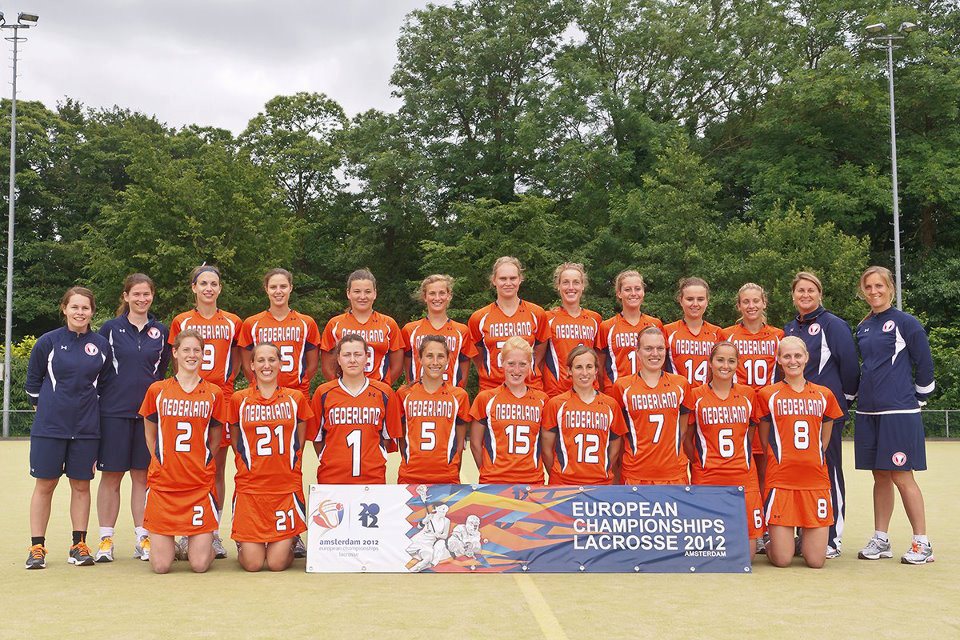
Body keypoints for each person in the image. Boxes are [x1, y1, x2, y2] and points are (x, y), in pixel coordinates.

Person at [24, 287, 112, 569]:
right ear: (64, 309)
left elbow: (105, 385)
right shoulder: (47, 342)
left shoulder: (101, 345)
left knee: (81, 485)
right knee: (45, 484)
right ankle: (37, 547)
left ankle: (79, 545)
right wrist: (48, 412)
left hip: (86, 429)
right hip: (50, 429)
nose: (80, 312)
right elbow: (33, 384)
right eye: (74, 307)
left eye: (85, 308)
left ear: (92, 312)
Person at [853, 266, 935, 565]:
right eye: (868, 287)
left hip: (898, 411)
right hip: (868, 410)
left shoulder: (906, 323)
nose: (874, 291)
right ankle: (881, 539)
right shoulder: (863, 327)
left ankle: (922, 543)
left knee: (902, 475)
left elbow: (924, 363)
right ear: (863, 292)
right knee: (880, 476)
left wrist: (919, 397)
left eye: (879, 286)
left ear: (891, 288)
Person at [95, 273, 171, 563]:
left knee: (142, 476)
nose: (141, 299)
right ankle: (106, 539)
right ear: (125, 296)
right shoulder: (109, 329)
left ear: (152, 296)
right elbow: (98, 370)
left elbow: (161, 372)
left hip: (148, 417)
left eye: (146, 294)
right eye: (136, 294)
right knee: (111, 476)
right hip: (113, 413)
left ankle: (143, 537)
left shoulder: (160, 331)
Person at [169, 264, 243, 560]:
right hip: (189, 397)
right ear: (194, 288)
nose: (208, 288)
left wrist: (225, 384)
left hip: (219, 397)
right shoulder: (182, 320)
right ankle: (184, 527)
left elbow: (238, 358)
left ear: (220, 288)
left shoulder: (233, 322)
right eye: (203, 283)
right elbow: (176, 357)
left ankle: (211, 531)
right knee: (187, 463)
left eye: (213, 284)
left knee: (215, 467)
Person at [138, 330, 227, 574]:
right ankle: (172, 546)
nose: (192, 355)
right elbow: (150, 433)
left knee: (199, 564)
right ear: (175, 353)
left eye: (197, 350)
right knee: (161, 566)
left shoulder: (214, 393)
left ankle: (198, 543)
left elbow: (215, 439)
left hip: (198, 485)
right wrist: (160, 461)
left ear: (203, 354)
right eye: (186, 349)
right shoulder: (157, 390)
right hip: (164, 484)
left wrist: (202, 462)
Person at [784, 271, 859, 558]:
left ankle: (831, 538)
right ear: (793, 296)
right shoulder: (791, 328)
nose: (805, 295)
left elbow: (850, 370)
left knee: (828, 472)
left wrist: (839, 405)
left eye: (810, 290)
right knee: (800, 473)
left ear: (820, 294)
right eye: (800, 290)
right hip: (794, 414)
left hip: (825, 413)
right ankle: (805, 534)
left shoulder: (834, 325)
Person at [755, 337, 843, 569]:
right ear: (779, 360)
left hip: (815, 482)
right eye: (786, 356)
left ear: (806, 358)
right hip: (781, 482)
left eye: (797, 356)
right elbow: (765, 440)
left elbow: (824, 439)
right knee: (782, 560)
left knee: (815, 561)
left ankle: (800, 538)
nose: (792, 361)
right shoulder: (767, 395)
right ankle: (776, 541)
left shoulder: (824, 394)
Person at [230, 342, 314, 572]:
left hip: (284, 488)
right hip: (251, 488)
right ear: (251, 365)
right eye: (261, 360)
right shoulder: (239, 399)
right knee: (253, 564)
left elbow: (299, 440)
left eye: (271, 360)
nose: (266, 365)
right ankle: (244, 542)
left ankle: (291, 538)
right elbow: (237, 440)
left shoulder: (295, 398)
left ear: (280, 363)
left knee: (277, 564)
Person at [684, 342, 762, 559]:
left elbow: (749, 433)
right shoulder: (696, 395)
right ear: (710, 362)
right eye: (720, 360)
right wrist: (699, 462)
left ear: (737, 364)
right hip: (708, 476)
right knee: (708, 553)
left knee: (747, 556)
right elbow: (687, 438)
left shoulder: (748, 394)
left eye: (731, 361)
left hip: (743, 476)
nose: (725, 366)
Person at [308, 334, 402, 484]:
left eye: (358, 354)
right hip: (331, 480)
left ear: (367, 358)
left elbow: (388, 438)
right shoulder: (323, 393)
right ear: (338, 359)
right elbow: (317, 439)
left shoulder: (384, 393)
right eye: (347, 355)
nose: (352, 360)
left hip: (372, 480)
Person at [723, 284, 784, 500]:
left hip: (767, 410)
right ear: (738, 306)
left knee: (767, 469)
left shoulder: (777, 336)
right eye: (746, 302)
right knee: (738, 467)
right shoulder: (727, 335)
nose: (751, 306)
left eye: (756, 301)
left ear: (764, 303)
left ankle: (765, 515)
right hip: (738, 410)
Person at [612, 327, 693, 485]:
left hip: (674, 474)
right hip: (636, 474)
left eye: (660, 348)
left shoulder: (680, 384)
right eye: (648, 348)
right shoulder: (622, 386)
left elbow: (683, 429)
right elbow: (618, 434)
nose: (655, 353)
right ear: (638, 352)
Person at [541, 346, 625, 485]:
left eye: (589, 367)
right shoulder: (556, 404)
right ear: (569, 370)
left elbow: (615, 448)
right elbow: (546, 450)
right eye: (579, 367)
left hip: (600, 484)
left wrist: (602, 471)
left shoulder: (611, 405)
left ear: (596, 370)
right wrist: (560, 476)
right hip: (564, 484)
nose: (584, 373)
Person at [469, 337, 548, 484]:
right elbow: (475, 443)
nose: (516, 370)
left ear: (530, 364)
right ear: (502, 362)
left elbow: (548, 444)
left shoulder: (542, 400)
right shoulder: (486, 398)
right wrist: (489, 472)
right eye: (511, 363)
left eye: (522, 364)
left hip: (531, 481)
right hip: (494, 482)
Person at [396, 336, 472, 484]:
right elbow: (402, 438)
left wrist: (453, 471)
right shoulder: (404, 394)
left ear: (448, 359)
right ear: (420, 359)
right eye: (429, 356)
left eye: (441, 356)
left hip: (447, 477)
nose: (435, 362)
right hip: (410, 476)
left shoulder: (459, 396)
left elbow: (459, 444)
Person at [468, 257, 549, 391]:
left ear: (520, 279)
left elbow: (539, 354)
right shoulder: (479, 317)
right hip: (492, 388)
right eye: (503, 278)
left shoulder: (537, 313)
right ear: (494, 280)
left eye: (513, 278)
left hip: (529, 387)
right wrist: (492, 374)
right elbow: (478, 358)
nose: (508, 283)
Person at [239, 268, 321, 397]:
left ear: (290, 288)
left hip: (297, 393)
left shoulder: (306, 323)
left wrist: (300, 383)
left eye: (283, 286)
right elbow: (247, 365)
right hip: (262, 394)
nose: (278, 291)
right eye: (273, 287)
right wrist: (262, 385)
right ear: (266, 289)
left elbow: (313, 365)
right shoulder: (251, 323)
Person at [321, 269, 404, 385]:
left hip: (377, 390)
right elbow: (327, 366)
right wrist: (340, 388)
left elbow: (397, 366)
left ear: (375, 293)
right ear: (348, 293)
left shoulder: (389, 324)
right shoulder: (335, 324)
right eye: (357, 291)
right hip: (344, 390)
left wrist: (382, 387)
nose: (362, 296)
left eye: (368, 292)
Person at [401, 274, 476, 388]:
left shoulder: (461, 331)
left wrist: (456, 393)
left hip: (449, 394)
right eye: (432, 293)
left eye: (442, 293)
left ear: (449, 296)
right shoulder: (410, 330)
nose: (437, 298)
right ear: (425, 296)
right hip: (419, 394)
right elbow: (408, 368)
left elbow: (464, 372)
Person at [597, 270, 664, 392]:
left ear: (643, 292)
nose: (633, 293)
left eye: (637, 289)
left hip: (647, 394)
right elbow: (600, 368)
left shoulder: (655, 324)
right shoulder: (607, 327)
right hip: (616, 393)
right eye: (628, 289)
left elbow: (661, 362)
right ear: (619, 293)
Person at [541, 263, 602, 396]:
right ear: (558, 286)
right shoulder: (547, 318)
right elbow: (538, 358)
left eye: (576, 282)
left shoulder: (595, 319)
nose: (571, 287)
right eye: (565, 282)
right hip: (557, 392)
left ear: (582, 286)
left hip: (588, 391)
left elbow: (599, 359)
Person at [664, 277, 724, 387]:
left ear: (707, 301)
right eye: (690, 299)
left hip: (707, 395)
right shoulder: (667, 331)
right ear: (681, 300)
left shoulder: (717, 333)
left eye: (700, 299)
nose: (695, 304)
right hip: (677, 394)